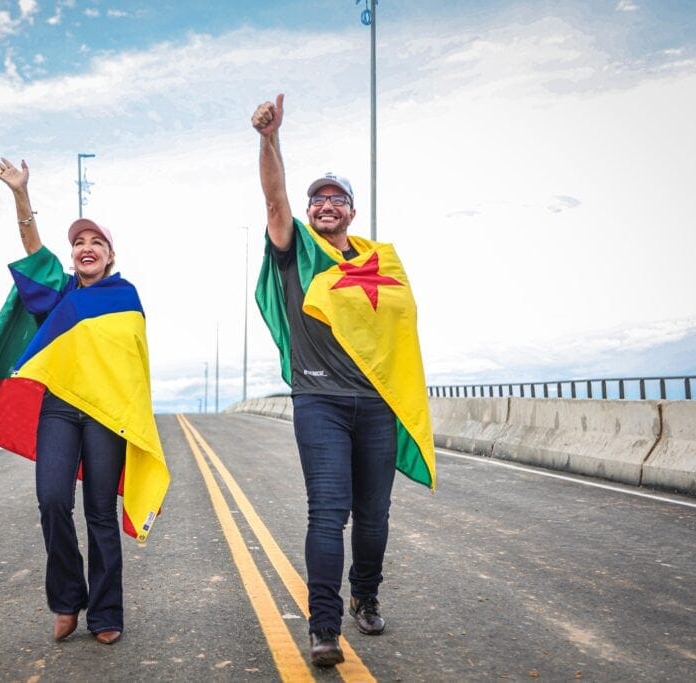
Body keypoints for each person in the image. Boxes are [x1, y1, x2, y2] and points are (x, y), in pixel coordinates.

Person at [0, 157, 170, 647]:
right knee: (51, 500)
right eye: (79, 244)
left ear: (110, 255)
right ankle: (68, 599)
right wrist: (21, 195)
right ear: (73, 258)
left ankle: (106, 611)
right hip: (60, 410)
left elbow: (132, 371)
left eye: (96, 242)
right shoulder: (60, 294)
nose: (86, 248)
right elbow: (33, 250)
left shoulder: (126, 297)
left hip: (107, 415)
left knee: (100, 514)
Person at [251, 94, 436, 667]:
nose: (325, 204)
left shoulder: (381, 262)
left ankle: (366, 595)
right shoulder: (296, 254)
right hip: (319, 402)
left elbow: (400, 333)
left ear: (352, 212)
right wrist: (269, 139)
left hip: (377, 405)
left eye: (337, 198)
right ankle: (324, 627)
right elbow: (274, 200)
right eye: (317, 199)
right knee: (327, 511)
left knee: (375, 518)